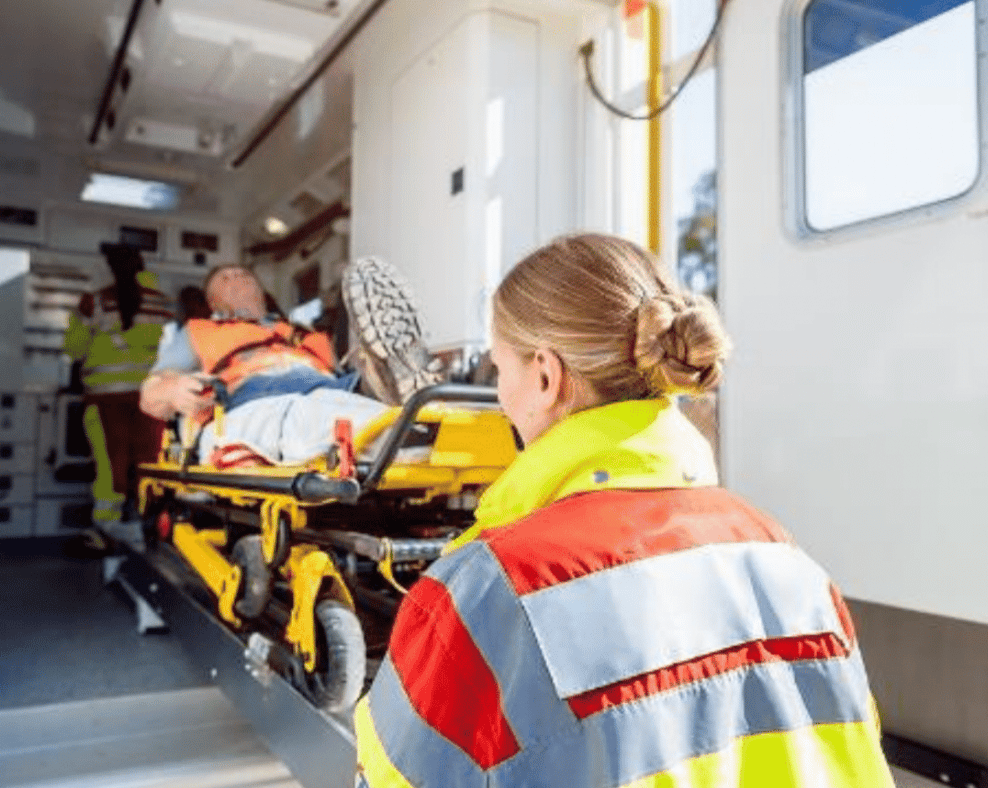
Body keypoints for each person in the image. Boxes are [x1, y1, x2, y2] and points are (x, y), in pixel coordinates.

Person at [354, 233, 893, 787]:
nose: (500, 396)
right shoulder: (783, 557)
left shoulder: (486, 592)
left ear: (544, 376)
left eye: (498, 370)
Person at [139, 260, 442, 465]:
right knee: (304, 414)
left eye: (244, 274)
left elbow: (335, 378)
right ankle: (408, 428)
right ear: (214, 302)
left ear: (260, 290)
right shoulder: (197, 332)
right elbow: (149, 395)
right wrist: (172, 389)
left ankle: (391, 387)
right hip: (250, 397)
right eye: (225, 278)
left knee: (341, 396)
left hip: (330, 387)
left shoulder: (302, 334)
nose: (237, 278)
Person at [63, 243, 174, 551]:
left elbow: (73, 348)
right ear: (142, 266)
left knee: (110, 463)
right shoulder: (163, 304)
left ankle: (107, 529)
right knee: (148, 462)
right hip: (151, 397)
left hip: (105, 398)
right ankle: (146, 525)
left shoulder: (94, 302)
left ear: (110, 268)